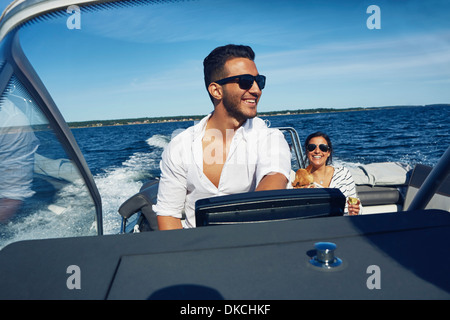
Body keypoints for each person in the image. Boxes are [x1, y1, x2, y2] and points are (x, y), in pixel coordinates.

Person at [153, 44, 291, 229]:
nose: (257, 90)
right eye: (245, 81)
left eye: (260, 81)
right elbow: (168, 214)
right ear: (216, 90)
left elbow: (273, 182)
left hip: (252, 243)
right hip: (195, 250)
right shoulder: (180, 147)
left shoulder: (270, 139)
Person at [303, 131, 361, 215]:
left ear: (328, 152)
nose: (317, 151)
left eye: (323, 147)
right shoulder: (300, 181)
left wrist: (356, 211)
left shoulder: (343, 173)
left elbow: (357, 205)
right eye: (312, 147)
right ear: (307, 152)